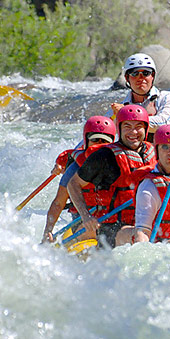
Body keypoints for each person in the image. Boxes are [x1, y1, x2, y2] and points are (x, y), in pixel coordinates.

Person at [67, 104, 157, 247]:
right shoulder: (104, 156)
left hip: (146, 221)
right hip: (112, 226)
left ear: (146, 129)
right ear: (119, 128)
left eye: (138, 126)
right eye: (127, 126)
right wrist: (85, 216)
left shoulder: (154, 151)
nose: (133, 132)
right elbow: (73, 184)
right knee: (139, 237)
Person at [41, 116, 117, 243]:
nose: (99, 145)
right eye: (95, 140)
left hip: (111, 219)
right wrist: (48, 231)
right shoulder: (74, 170)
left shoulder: (119, 165)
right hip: (82, 221)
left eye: (104, 141)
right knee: (91, 230)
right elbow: (59, 203)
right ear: (86, 142)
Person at [110, 53, 170, 140]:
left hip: (167, 150)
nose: (140, 78)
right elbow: (105, 128)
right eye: (134, 73)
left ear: (152, 76)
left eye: (146, 73)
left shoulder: (168, 97)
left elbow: (165, 123)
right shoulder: (120, 107)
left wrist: (127, 116)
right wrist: (115, 117)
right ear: (127, 78)